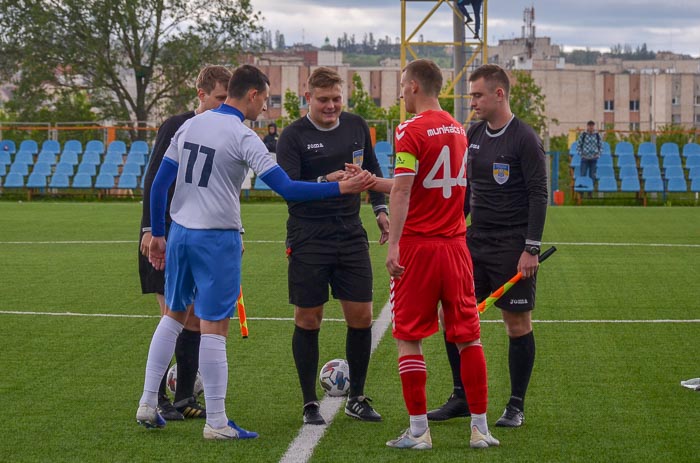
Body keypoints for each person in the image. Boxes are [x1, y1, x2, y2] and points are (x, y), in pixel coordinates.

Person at [135, 64, 376, 439]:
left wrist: (159, 233)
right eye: (264, 99)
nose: (264, 108)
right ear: (252, 95)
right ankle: (216, 422)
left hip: (181, 233)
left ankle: (148, 402)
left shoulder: (190, 124)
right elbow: (289, 189)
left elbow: (159, 183)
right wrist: (339, 190)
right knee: (215, 328)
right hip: (216, 239)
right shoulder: (243, 137)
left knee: (173, 317)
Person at [370, 58, 498, 450]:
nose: (400, 94)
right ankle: (480, 428)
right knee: (468, 337)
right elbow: (425, 180)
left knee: (409, 337)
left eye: (401, 86)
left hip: (419, 248)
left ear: (413, 87)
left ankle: (418, 431)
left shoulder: (410, 129)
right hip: (456, 245)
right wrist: (375, 180)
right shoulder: (459, 129)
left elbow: (405, 189)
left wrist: (393, 243)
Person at [427, 64, 548, 428]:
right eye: (471, 95)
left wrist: (531, 248)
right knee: (452, 317)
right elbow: (465, 188)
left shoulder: (525, 138)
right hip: (473, 241)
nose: (472, 101)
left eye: (478, 95)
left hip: (512, 246)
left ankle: (515, 405)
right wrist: (452, 228)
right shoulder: (473, 133)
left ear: (499, 94)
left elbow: (539, 194)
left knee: (517, 324)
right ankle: (461, 396)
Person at [276, 67, 389, 426]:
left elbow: (370, 168)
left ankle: (356, 396)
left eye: (336, 99)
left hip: (351, 234)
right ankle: (310, 402)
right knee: (309, 319)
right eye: (323, 100)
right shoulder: (292, 136)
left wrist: (381, 210)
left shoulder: (356, 125)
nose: (331, 106)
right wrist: (328, 180)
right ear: (308, 98)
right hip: (309, 235)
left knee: (362, 317)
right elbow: (290, 188)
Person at [138, 65, 231, 421]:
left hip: (197, 237)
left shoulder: (222, 131)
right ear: (201, 94)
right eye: (218, 99)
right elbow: (155, 181)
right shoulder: (178, 125)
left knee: (192, 319)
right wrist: (151, 229)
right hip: (164, 237)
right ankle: (155, 398)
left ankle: (182, 397)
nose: (223, 106)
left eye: (227, 99)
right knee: (172, 314)